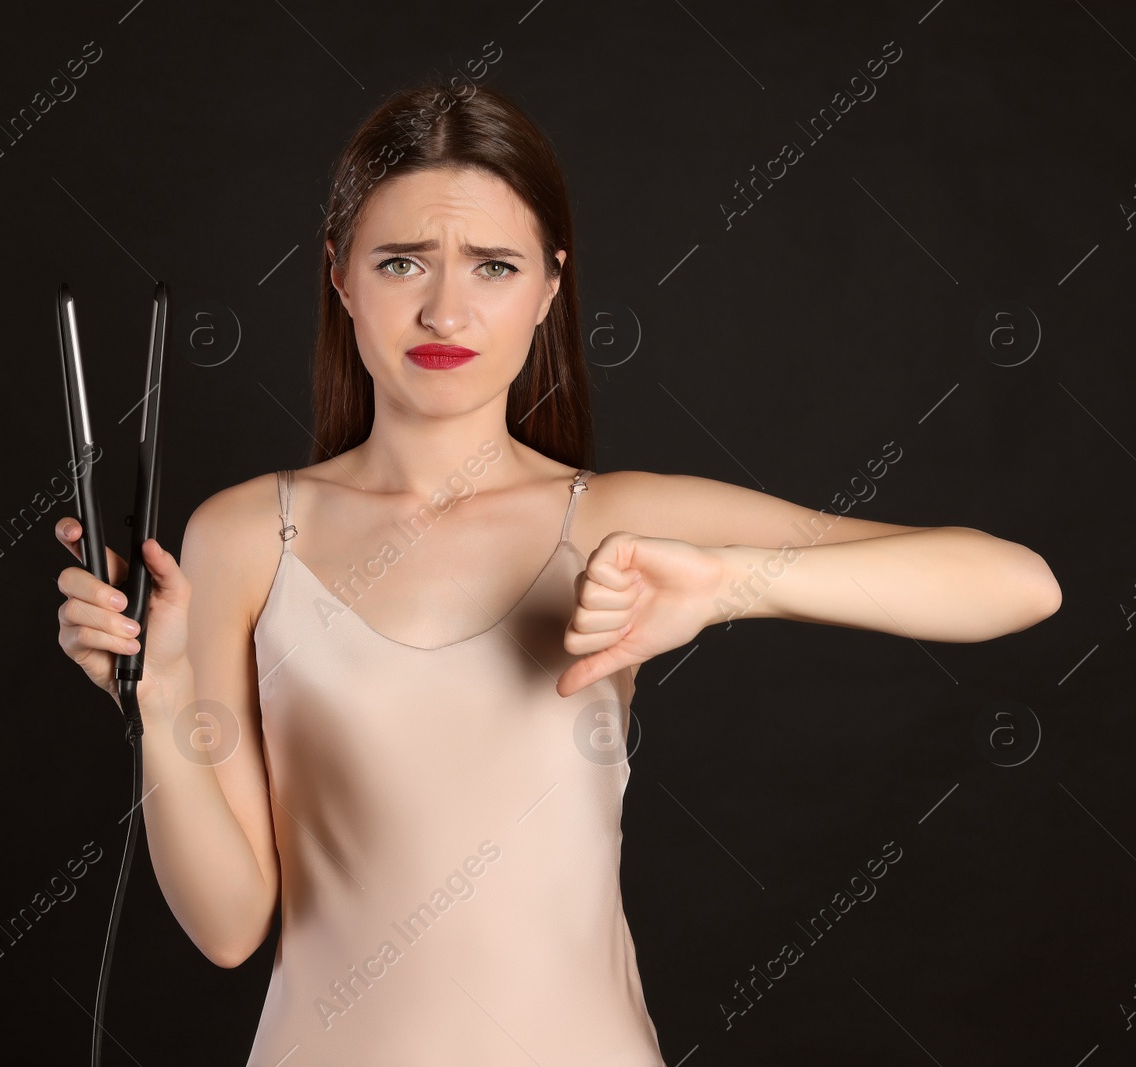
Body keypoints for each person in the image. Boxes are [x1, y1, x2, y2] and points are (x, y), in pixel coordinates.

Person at [53, 83, 1061, 1066]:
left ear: (547, 288)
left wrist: (727, 584)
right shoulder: (242, 536)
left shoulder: (614, 519)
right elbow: (230, 925)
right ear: (339, 275)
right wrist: (166, 700)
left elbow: (1016, 583)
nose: (446, 308)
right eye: (403, 261)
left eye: (492, 265)